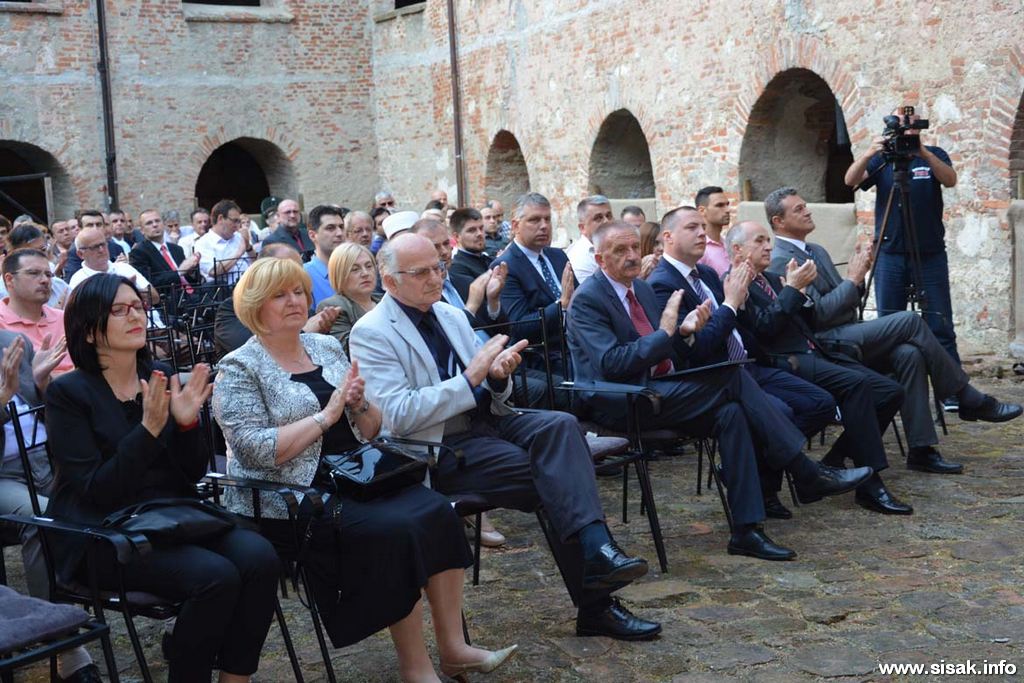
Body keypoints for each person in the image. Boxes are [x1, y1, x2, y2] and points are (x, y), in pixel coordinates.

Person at [214, 258, 516, 681]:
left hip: (356, 475)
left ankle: (453, 648)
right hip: (292, 494)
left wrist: (358, 405)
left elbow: (371, 428)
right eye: (279, 295)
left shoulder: (324, 347)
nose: (294, 301)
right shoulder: (239, 367)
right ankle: (416, 668)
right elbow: (255, 452)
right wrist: (327, 415)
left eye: (299, 292)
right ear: (254, 306)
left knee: (437, 512)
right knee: (397, 531)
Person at [351, 233, 663, 641]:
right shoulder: (372, 331)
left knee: (561, 426)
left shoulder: (449, 314)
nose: (435, 278)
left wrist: (498, 376)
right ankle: (598, 589)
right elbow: (398, 415)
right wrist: (471, 379)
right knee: (558, 476)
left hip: (488, 421)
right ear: (391, 281)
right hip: (438, 445)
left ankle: (598, 555)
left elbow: (490, 385)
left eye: (438, 268)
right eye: (422, 272)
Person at [569, 221, 870, 557]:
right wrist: (666, 333)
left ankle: (746, 531)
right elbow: (612, 363)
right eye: (619, 251)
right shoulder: (588, 300)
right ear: (600, 259)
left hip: (661, 386)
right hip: (621, 399)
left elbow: (667, 351)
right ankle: (805, 471)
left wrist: (683, 332)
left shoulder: (639, 288)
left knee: (732, 413)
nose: (631, 256)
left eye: (634, 248)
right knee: (732, 378)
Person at [45, 274, 279, 682]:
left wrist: (187, 426)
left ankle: (235, 678)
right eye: (119, 310)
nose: (135, 316)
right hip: (102, 534)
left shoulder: (157, 374)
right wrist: (148, 431)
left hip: (169, 517)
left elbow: (190, 473)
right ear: (89, 330)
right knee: (215, 577)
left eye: (137, 306)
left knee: (261, 558)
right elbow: (96, 490)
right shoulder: (68, 393)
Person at [765, 187, 1022, 472]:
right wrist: (852, 280)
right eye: (799, 209)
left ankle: (922, 450)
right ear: (779, 221)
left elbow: (847, 302)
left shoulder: (816, 250)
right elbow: (819, 317)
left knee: (909, 353)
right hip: (824, 343)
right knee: (910, 320)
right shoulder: (781, 261)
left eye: (805, 205)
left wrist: (857, 279)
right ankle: (966, 396)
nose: (808, 211)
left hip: (847, 329)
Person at [647, 208, 837, 518]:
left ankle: (757, 466)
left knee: (820, 402)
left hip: (747, 365)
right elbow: (698, 350)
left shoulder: (706, 274)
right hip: (713, 378)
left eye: (702, 227)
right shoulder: (662, 284)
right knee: (781, 411)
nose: (702, 233)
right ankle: (781, 485)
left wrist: (744, 307)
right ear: (667, 237)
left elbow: (741, 330)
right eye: (692, 227)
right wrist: (731, 304)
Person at [727, 220, 913, 514]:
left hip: (816, 351)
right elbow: (763, 330)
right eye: (759, 241)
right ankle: (870, 485)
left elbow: (812, 321)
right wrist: (792, 290)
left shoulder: (773, 278)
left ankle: (833, 461)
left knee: (890, 392)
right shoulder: (734, 283)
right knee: (856, 385)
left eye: (768, 240)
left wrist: (801, 291)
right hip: (786, 361)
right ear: (737, 250)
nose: (768, 246)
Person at [843, 107, 961, 367]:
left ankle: (952, 385)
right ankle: (891, 379)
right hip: (890, 253)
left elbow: (950, 180)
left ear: (920, 126)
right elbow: (850, 180)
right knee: (888, 323)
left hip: (929, 252)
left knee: (940, 321)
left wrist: (923, 152)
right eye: (901, 122)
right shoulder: (883, 158)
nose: (907, 127)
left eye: (912, 122)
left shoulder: (934, 154)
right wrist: (869, 153)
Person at [214, 242, 339, 360]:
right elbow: (250, 352)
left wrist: (324, 328)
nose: (293, 301)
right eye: (283, 268)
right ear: (261, 270)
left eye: (298, 269)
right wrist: (304, 332)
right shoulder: (230, 310)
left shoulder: (304, 311)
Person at [491, 192, 576, 352]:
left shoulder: (558, 256)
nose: (544, 226)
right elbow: (519, 326)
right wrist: (561, 305)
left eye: (547, 219)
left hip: (579, 346)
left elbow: (578, 299)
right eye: (535, 220)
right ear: (515, 226)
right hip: (544, 357)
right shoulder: (505, 267)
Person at [0, 249, 75, 375]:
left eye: (48, 275)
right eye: (33, 273)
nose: (45, 280)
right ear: (9, 279)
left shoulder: (65, 319)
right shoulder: (2, 325)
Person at [67, 228, 161, 312]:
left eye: (103, 244)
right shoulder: (78, 280)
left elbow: (155, 298)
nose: (101, 250)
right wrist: (123, 292)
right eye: (94, 247)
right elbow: (85, 314)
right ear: (80, 254)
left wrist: (133, 290)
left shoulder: (124, 268)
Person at [315, 242, 382, 350]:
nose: (365, 273)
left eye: (369, 266)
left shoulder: (385, 300)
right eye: (355, 269)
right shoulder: (334, 306)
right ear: (339, 274)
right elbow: (349, 349)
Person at [128, 209, 202, 293]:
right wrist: (179, 272)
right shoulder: (138, 252)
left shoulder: (177, 249)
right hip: (169, 297)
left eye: (157, 221)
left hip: (193, 293)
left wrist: (192, 270)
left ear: (163, 224)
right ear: (142, 230)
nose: (155, 225)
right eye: (149, 223)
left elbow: (190, 279)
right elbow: (148, 283)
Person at [2, 224, 70, 308]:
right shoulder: (2, 292)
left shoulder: (60, 286)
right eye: (30, 252)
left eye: (43, 250)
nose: (38, 256)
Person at [195, 199, 256, 283]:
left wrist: (248, 247)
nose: (237, 225)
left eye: (239, 221)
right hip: (223, 289)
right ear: (220, 218)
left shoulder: (239, 236)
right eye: (235, 221)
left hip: (250, 285)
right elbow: (213, 271)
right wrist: (239, 253)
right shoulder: (203, 243)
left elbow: (256, 263)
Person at [302, 205, 348, 309]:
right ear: (312, 235)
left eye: (341, 227)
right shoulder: (304, 276)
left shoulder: (355, 269)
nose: (340, 233)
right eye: (330, 228)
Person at [63, 210, 125, 281]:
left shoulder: (116, 247)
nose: (95, 229)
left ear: (104, 227)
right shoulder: (74, 252)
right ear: (80, 229)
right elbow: (74, 282)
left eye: (98, 225)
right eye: (90, 225)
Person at [448, 208, 494, 301]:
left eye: (481, 228)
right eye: (472, 230)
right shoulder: (456, 267)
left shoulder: (488, 259)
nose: (479, 234)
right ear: (457, 237)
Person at [566, 195, 614, 284]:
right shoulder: (580, 258)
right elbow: (590, 292)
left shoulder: (611, 246)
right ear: (582, 228)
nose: (606, 221)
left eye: (609, 216)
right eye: (598, 218)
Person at [695, 185, 732, 276]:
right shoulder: (699, 249)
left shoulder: (727, 243)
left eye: (727, 204)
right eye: (719, 205)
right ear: (702, 211)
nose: (728, 210)